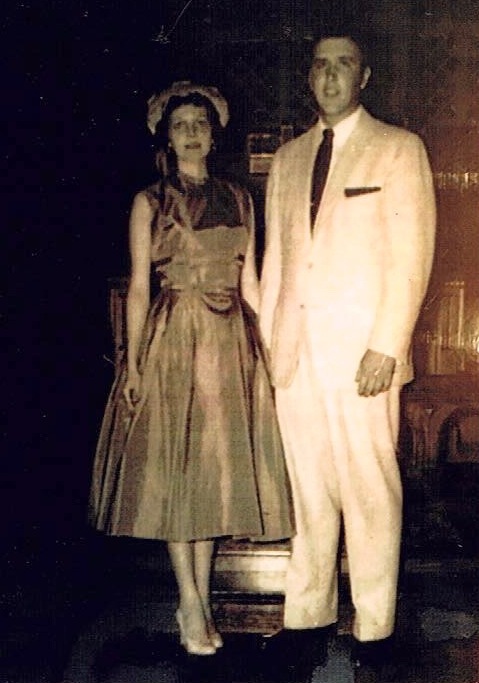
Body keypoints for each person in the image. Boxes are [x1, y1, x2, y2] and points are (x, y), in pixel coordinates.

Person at [89, 81, 293, 657]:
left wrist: (270, 353)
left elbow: (251, 282)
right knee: (180, 471)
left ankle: (197, 599)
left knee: (212, 476)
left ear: (213, 132)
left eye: (200, 123)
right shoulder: (149, 201)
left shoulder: (240, 197)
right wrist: (133, 364)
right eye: (180, 125)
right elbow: (138, 288)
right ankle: (190, 600)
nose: (191, 133)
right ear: (167, 136)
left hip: (230, 344)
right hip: (175, 340)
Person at [259, 31, 436, 682]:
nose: (330, 76)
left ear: (364, 77)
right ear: (309, 77)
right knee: (307, 490)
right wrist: (269, 343)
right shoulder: (286, 159)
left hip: (363, 354)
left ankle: (374, 628)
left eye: (344, 65)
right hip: (295, 356)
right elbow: (274, 263)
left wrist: (387, 344)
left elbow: (412, 256)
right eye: (320, 65)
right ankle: (306, 618)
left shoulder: (398, 148)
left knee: (368, 488)